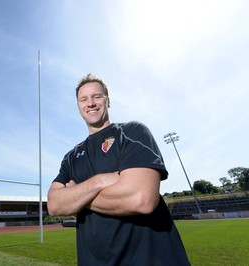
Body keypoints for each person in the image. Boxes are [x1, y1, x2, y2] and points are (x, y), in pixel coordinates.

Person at [47, 74, 190, 265]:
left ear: (108, 100)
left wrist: (76, 197)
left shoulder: (132, 132)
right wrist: (100, 181)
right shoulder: (71, 157)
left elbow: (141, 199)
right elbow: (55, 205)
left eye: (97, 96)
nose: (90, 103)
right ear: (79, 106)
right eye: (84, 99)